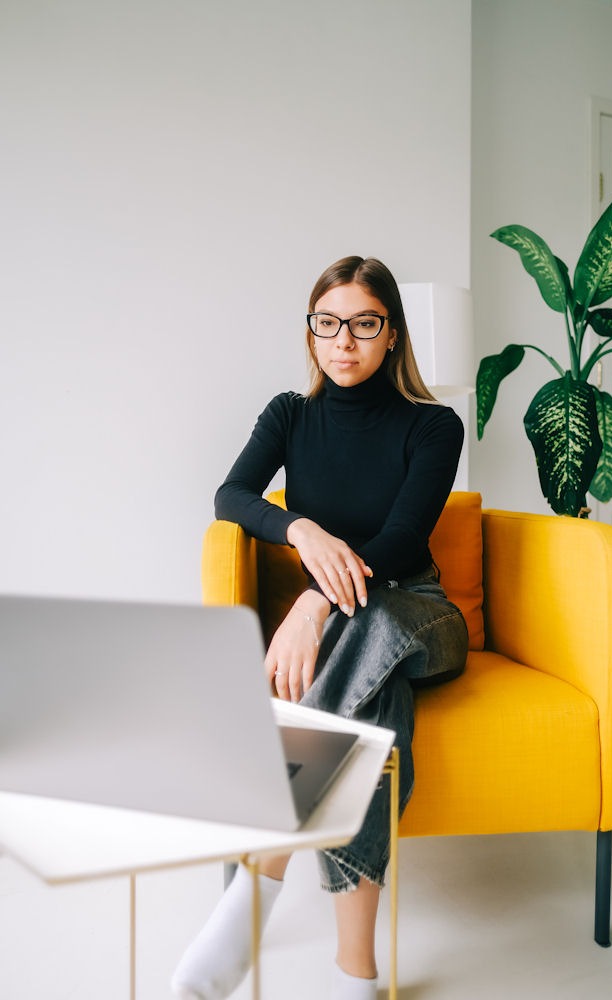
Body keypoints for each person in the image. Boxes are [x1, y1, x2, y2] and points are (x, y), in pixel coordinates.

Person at [171, 256, 469, 1000]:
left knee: (368, 623)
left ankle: (257, 881)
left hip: (418, 613)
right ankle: (356, 972)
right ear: (310, 334)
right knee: (376, 718)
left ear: (391, 334)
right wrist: (299, 528)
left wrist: (313, 603)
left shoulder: (434, 425)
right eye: (327, 324)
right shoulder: (289, 416)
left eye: (364, 324)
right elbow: (231, 495)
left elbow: (401, 540)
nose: (344, 342)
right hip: (368, 655)